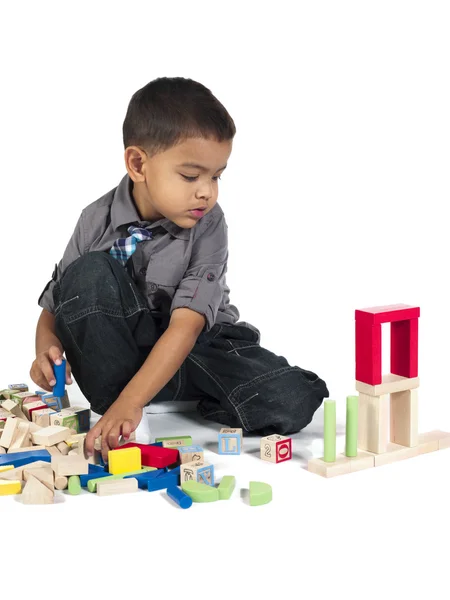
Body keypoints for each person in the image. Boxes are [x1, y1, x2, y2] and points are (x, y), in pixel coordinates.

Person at [30, 77, 329, 462]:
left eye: (216, 175)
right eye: (191, 176)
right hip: (123, 352)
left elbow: (186, 327)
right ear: (138, 163)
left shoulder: (209, 225)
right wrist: (46, 353)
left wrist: (134, 401)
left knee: (292, 399)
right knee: (87, 272)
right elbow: (54, 310)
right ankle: (132, 396)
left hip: (197, 347)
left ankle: (165, 393)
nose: (207, 191)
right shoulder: (95, 219)